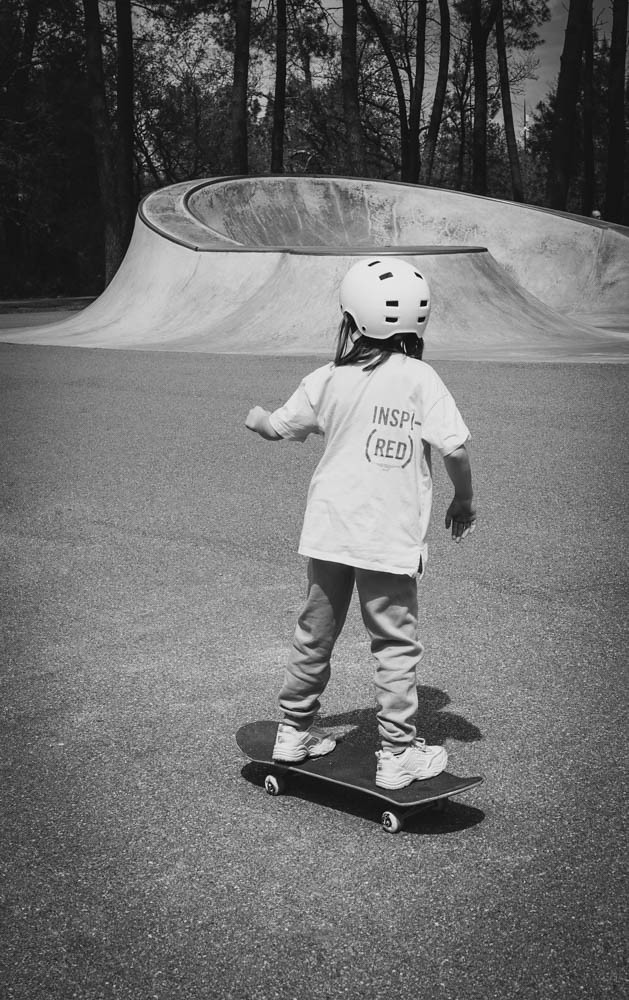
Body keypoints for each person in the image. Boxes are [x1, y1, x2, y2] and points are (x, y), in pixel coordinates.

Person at [245, 257, 476, 789]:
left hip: (329, 533)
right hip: (387, 541)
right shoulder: (421, 378)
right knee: (393, 644)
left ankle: (294, 730)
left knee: (314, 633)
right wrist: (464, 502)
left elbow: (278, 427)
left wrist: (255, 417)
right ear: (417, 324)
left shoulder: (328, 378)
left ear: (352, 319)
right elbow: (456, 448)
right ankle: (396, 755)